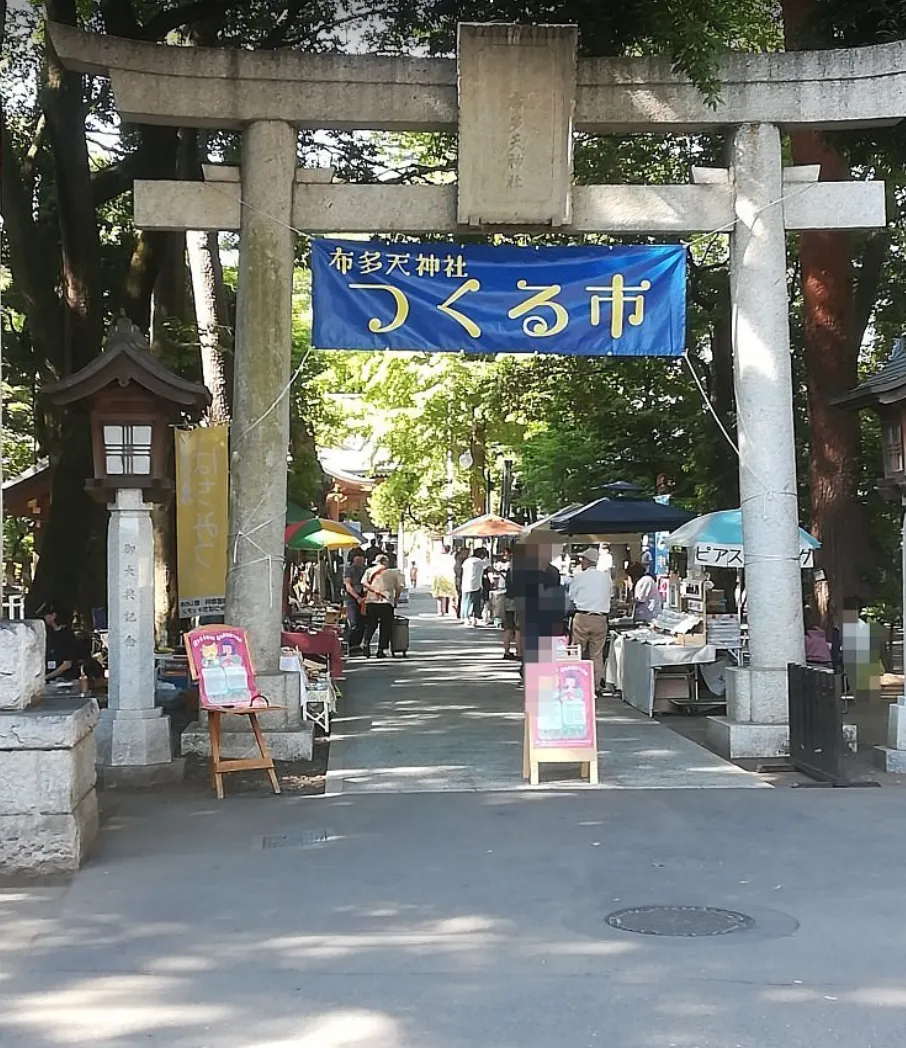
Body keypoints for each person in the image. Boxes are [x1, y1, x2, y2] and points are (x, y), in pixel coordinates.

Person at [568, 547, 613, 694]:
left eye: (583, 559)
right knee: (597, 653)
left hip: (582, 616)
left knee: (577, 651)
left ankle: (575, 682)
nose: (581, 562)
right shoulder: (606, 577)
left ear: (587, 561)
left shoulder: (579, 576)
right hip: (600, 618)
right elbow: (610, 595)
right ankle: (597, 685)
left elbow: (571, 596)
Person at [362, 554, 402, 657]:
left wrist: (374, 589)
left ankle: (366, 643)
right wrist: (396, 600)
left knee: (371, 625)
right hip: (386, 602)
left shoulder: (369, 571)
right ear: (385, 562)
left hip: (371, 601)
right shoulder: (393, 573)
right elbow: (399, 588)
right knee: (385, 627)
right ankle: (380, 650)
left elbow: (363, 583)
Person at [37, 602, 80, 682]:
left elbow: (67, 664)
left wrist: (46, 677)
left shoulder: (67, 635)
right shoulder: (50, 634)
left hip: (65, 679)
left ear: (53, 616)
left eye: (46, 615)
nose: (44, 618)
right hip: (50, 678)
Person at [342, 548, 367, 654]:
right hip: (352, 598)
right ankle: (350, 644)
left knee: (363, 623)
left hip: (364, 598)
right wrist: (357, 597)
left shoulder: (366, 569)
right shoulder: (350, 570)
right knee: (353, 622)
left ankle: (356, 645)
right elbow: (348, 585)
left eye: (362, 559)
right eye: (358, 559)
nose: (360, 561)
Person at [461, 547, 488, 627]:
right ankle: (472, 618)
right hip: (474, 584)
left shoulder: (467, 561)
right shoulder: (478, 561)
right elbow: (487, 565)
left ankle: (466, 618)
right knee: (474, 602)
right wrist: (487, 557)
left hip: (466, 584)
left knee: (466, 602)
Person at [431, 545, 457, 615]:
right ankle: (445, 610)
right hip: (448, 577)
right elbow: (453, 566)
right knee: (446, 595)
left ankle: (440, 610)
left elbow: (433, 567)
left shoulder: (437, 557)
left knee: (439, 596)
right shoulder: (450, 558)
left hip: (438, 576)